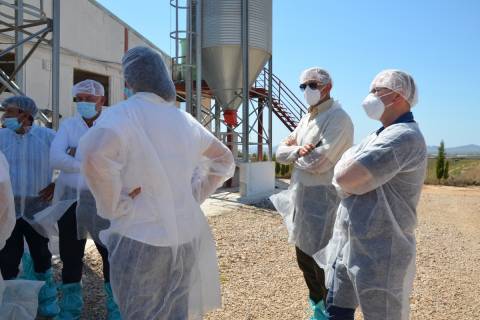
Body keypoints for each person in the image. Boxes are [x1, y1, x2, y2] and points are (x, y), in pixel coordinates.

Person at [78, 46, 235, 319]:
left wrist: (116, 205)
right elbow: (224, 160)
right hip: (185, 235)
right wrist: (193, 195)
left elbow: (93, 157)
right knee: (176, 309)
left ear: (130, 81)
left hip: (140, 237)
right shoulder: (185, 120)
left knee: (141, 312)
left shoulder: (121, 115)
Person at [314, 70, 426, 320]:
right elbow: (345, 171)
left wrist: (344, 172)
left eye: (376, 91)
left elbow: (344, 177)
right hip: (351, 244)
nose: (369, 96)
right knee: (337, 312)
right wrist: (345, 170)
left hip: (381, 251)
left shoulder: (403, 137)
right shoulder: (379, 135)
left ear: (397, 95)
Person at [270, 67, 353, 319]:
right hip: (302, 201)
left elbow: (321, 162)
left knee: (325, 264)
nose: (307, 90)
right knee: (304, 259)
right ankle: (317, 308)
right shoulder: (308, 118)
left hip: (325, 203)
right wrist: (298, 152)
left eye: (312, 85)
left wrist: (296, 154)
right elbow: (279, 151)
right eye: (303, 86)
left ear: (327, 87)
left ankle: (332, 310)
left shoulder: (338, 119)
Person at [48, 79, 121, 319]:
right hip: (71, 202)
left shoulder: (112, 126)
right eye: (79, 99)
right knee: (71, 256)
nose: (83, 103)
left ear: (102, 100)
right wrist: (91, 163)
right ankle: (70, 309)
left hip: (103, 201)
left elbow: (119, 160)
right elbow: (56, 158)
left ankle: (116, 308)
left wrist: (75, 154)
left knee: (109, 254)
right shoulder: (69, 125)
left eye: (89, 99)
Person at [0, 96, 59, 318]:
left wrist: (57, 183)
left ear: (26, 114)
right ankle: (10, 305)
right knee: (7, 259)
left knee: (42, 257)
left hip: (38, 209)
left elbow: (75, 157)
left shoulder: (47, 137)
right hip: (8, 210)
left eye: (10, 112)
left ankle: (47, 305)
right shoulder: (0, 137)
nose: (5, 116)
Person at [0, 150, 45, 319]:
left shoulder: (45, 136)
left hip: (35, 205)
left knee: (40, 254)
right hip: (12, 215)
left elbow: (2, 195)